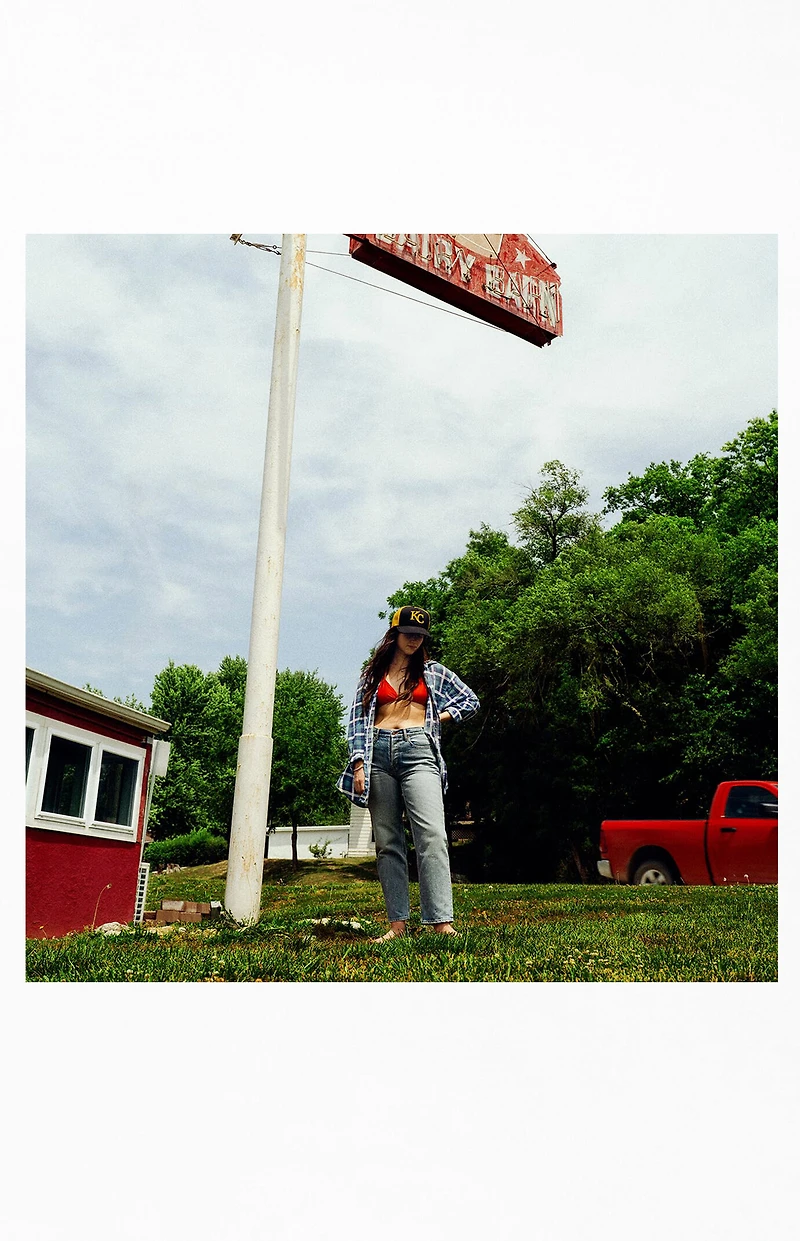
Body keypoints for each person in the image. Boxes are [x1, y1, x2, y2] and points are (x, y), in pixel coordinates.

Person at [338, 606, 480, 941]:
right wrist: (359, 762)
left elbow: (470, 701)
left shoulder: (433, 673)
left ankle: (441, 922)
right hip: (377, 753)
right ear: (394, 635)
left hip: (418, 750)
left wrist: (437, 720)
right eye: (409, 634)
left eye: (420, 636)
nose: (414, 641)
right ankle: (397, 926)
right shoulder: (371, 676)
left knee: (432, 834)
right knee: (388, 842)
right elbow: (357, 722)